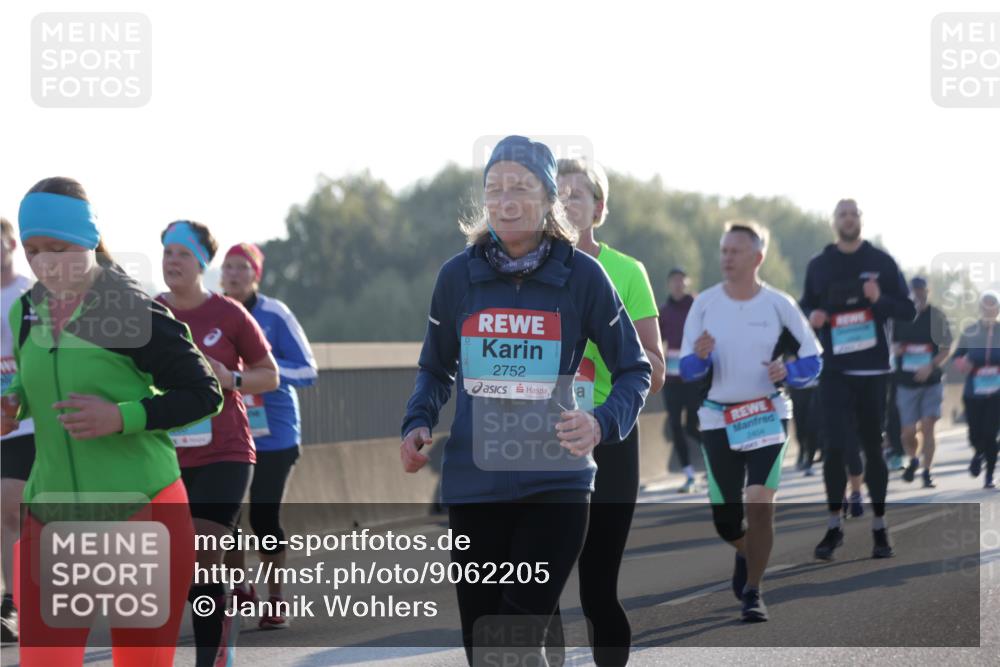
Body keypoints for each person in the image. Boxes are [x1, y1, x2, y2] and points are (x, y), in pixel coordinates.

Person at [399, 136, 651, 665]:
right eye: (494, 188)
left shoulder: (583, 277)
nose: (506, 199)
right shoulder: (457, 277)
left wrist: (602, 422)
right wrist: (418, 421)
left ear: (548, 198)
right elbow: (434, 367)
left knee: (510, 636)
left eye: (520, 186)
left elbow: (635, 368)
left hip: (555, 481)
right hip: (475, 484)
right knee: (484, 649)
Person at [1, 177, 223, 666]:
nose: (43, 262)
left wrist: (120, 417)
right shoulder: (26, 312)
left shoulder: (128, 307)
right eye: (34, 249)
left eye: (57, 247)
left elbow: (204, 392)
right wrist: (13, 403)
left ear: (87, 241)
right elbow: (39, 382)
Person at [539, 157, 663, 666]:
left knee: (596, 589)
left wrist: (603, 352)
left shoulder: (627, 272)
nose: (567, 202)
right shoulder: (532, 270)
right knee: (539, 587)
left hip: (608, 436)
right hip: (542, 440)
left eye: (577, 194)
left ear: (599, 208)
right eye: (558, 193)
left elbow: (656, 368)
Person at [680, 220, 822, 623]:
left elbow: (814, 359)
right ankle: (747, 549)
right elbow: (686, 367)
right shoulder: (704, 303)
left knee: (759, 503)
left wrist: (789, 374)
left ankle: (754, 592)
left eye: (735, 251)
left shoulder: (779, 304)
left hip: (766, 413)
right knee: (727, 522)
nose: (727, 257)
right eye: (723, 250)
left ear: (757, 257)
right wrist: (701, 357)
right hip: (717, 417)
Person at [157, 221, 279, 666]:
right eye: (167, 252)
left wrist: (233, 378)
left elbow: (271, 373)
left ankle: (211, 657)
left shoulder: (229, 314)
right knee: (182, 566)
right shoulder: (150, 313)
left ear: (201, 263)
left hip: (225, 450)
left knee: (205, 552)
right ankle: (219, 629)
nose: (172, 261)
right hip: (166, 454)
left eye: (182, 254)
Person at [801, 199, 915, 561]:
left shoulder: (880, 262)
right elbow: (803, 307)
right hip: (834, 369)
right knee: (833, 447)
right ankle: (834, 526)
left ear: (861, 221)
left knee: (871, 446)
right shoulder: (820, 265)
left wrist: (879, 299)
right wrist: (813, 316)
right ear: (834, 221)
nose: (848, 220)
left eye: (853, 214)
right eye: (842, 214)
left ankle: (880, 527)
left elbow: (908, 309)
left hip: (872, 370)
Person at [220, 242, 318, 629]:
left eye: (242, 267)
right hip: (227, 430)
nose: (233, 274)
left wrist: (257, 374)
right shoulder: (212, 313)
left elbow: (308, 370)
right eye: (228, 267)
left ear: (256, 275)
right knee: (223, 519)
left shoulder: (275, 314)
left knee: (263, 518)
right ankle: (241, 586)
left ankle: (276, 599)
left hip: (275, 433)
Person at [1, 217, 35, 645]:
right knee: (7, 512)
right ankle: (12, 603)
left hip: (31, 417)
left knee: (12, 503)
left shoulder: (30, 292)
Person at [893, 276, 953, 488]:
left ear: (928, 291)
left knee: (928, 425)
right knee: (908, 432)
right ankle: (914, 458)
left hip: (931, 382)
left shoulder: (937, 316)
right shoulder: (900, 315)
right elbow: (889, 342)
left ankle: (927, 471)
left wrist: (930, 366)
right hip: (906, 382)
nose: (918, 293)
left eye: (921, 290)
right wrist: (896, 348)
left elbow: (946, 349)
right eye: (914, 290)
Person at [658, 267, 702, 491]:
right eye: (673, 280)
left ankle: (716, 458)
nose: (677, 284)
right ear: (669, 285)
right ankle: (689, 474)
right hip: (672, 380)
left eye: (680, 280)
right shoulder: (663, 311)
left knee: (693, 426)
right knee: (676, 425)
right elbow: (656, 341)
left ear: (687, 282)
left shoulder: (697, 306)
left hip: (694, 378)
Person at [952, 292, 999, 489]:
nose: (988, 310)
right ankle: (978, 452)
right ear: (980, 309)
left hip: (997, 393)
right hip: (974, 392)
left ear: (997, 310)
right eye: (985, 306)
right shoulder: (970, 331)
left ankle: (989, 474)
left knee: (990, 432)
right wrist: (964, 364)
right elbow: (957, 356)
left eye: (992, 306)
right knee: (974, 433)